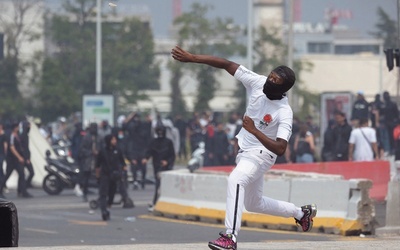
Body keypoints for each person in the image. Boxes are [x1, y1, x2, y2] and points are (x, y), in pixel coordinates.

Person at [171, 46, 317, 250]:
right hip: (245, 153)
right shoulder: (257, 82)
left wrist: (255, 131)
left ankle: (230, 237)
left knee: (236, 179)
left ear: (283, 89)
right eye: (271, 76)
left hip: (262, 154)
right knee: (253, 204)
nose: (269, 80)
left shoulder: (284, 112)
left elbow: (281, 148)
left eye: (275, 81)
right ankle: (301, 213)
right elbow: (227, 64)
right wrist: (192, 58)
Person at [142, 126, 175, 212]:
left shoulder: (168, 142)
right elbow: (149, 151)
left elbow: (172, 155)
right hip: (157, 166)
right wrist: (146, 158)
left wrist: (167, 162)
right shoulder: (154, 142)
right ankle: (156, 202)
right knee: (158, 185)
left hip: (166, 168)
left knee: (166, 185)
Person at [0, 122, 32, 198]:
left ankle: (22, 191)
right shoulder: (11, 136)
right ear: (15, 128)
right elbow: (12, 148)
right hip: (12, 160)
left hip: (16, 160)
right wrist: (19, 157)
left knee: (22, 174)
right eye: (17, 127)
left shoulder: (17, 136)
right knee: (7, 175)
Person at [78, 122, 100, 202]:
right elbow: (82, 149)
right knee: (86, 178)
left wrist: (98, 152)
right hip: (88, 160)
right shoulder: (86, 137)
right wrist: (91, 152)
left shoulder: (99, 137)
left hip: (98, 159)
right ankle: (85, 194)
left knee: (99, 177)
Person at [20, 120, 35, 189]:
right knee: (30, 172)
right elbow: (23, 149)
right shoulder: (23, 136)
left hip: (26, 157)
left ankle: (25, 185)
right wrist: (26, 158)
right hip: (25, 157)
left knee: (28, 173)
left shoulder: (25, 135)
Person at [0, 122, 8, 198]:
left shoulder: (4, 135)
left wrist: (5, 155)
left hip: (1, 154)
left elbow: (5, 146)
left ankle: (2, 187)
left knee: (1, 172)